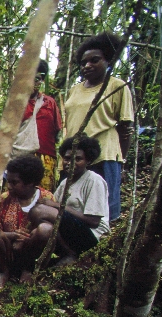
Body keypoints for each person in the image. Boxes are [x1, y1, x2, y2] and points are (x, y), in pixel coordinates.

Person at [63, 33, 134, 221]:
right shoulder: (74, 90)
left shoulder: (117, 86)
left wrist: (121, 162)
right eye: (84, 62)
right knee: (72, 204)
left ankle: (103, 247)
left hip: (104, 155)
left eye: (94, 60)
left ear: (108, 60)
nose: (87, 66)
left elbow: (126, 129)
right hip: (75, 158)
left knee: (103, 209)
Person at [31, 135, 110, 265]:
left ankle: (71, 254)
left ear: (88, 161)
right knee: (42, 226)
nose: (70, 163)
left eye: (77, 159)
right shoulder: (65, 182)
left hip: (92, 235)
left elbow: (94, 221)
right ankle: (51, 257)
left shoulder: (94, 181)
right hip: (70, 233)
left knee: (39, 211)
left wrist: (58, 205)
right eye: (67, 158)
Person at [0, 155, 55, 288]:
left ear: (30, 182)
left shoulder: (47, 198)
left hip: (32, 254)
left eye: (14, 183)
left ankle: (29, 270)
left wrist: (27, 238)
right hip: (7, 253)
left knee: (46, 230)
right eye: (8, 182)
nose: (9, 186)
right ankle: (3, 271)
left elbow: (53, 233)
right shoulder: (4, 199)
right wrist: (13, 235)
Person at [13, 60, 62, 191]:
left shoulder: (49, 103)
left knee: (42, 195)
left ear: (41, 81)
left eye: (37, 79)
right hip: (19, 157)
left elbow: (57, 131)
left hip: (45, 157)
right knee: (17, 195)